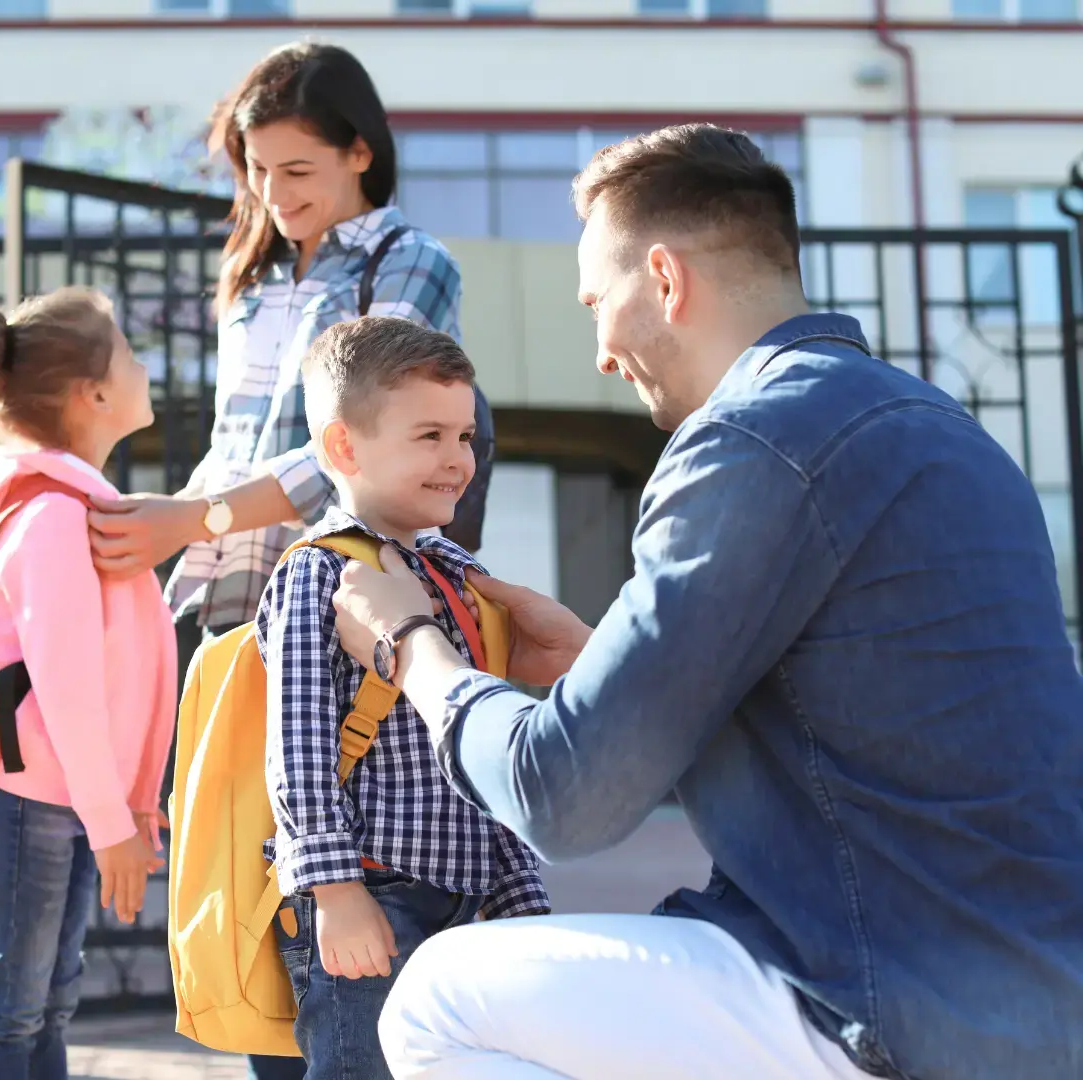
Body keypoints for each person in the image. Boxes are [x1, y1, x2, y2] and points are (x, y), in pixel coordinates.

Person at [328, 124, 1083, 1080]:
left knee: (440, 999)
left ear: (666, 280)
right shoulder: (944, 429)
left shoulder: (749, 437)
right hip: (1031, 1004)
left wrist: (413, 644)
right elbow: (878, 740)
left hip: (876, 997)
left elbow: (563, 799)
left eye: (598, 302)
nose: (601, 351)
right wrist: (610, 657)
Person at [83, 41, 464, 1080]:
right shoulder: (250, 276)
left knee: (342, 863)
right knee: (252, 871)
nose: (270, 192)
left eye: (296, 169)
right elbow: (235, 434)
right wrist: (166, 541)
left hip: (344, 599)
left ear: (358, 154)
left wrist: (193, 519)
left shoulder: (406, 263)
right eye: (255, 170)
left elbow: (349, 446)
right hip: (230, 601)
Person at [258, 316, 549, 1078]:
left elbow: (480, 735)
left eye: (465, 438)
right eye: (429, 436)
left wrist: (515, 884)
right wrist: (335, 889)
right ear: (343, 446)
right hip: (370, 891)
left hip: (464, 895)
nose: (458, 461)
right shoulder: (315, 573)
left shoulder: (459, 576)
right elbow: (297, 747)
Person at [0, 287, 179, 1080]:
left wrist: (128, 806)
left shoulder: (71, 508)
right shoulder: (55, 520)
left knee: (47, 1000)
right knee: (16, 1007)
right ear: (92, 394)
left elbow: (115, 677)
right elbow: (63, 688)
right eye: (129, 351)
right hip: (40, 802)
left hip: (68, 799)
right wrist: (111, 823)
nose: (143, 364)